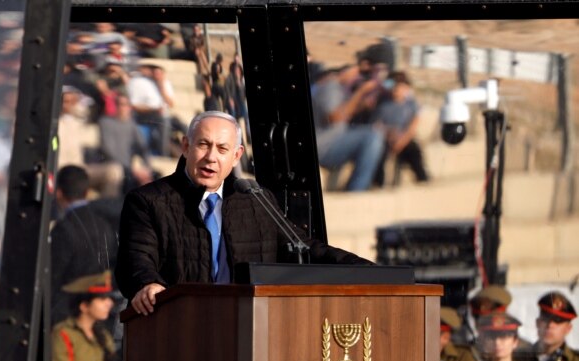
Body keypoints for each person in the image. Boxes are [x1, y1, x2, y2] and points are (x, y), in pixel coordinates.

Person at [115, 111, 374, 314]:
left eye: (222, 149)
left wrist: (366, 270)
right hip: (179, 329)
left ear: (237, 156)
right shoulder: (149, 200)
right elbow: (137, 260)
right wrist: (147, 284)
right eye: (203, 145)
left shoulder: (254, 200)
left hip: (246, 325)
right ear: (185, 146)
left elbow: (304, 247)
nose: (211, 157)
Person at [50, 165, 118, 324]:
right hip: (99, 312)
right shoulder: (104, 224)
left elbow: (53, 277)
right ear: (87, 192)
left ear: (59, 193)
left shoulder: (63, 229)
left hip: (68, 315)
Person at [310, 63, 384, 191]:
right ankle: (356, 190)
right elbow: (336, 118)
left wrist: (362, 105)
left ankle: (368, 184)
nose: (357, 77)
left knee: (375, 132)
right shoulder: (330, 87)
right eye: (355, 73)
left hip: (333, 141)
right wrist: (361, 92)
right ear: (344, 71)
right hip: (324, 146)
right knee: (372, 136)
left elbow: (344, 112)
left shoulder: (339, 89)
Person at [370, 71, 429, 186]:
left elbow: (413, 127)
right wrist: (387, 134)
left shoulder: (412, 104)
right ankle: (378, 184)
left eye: (401, 88)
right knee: (378, 154)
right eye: (395, 87)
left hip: (404, 138)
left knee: (414, 151)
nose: (397, 91)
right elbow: (375, 124)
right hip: (384, 138)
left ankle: (423, 179)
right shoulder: (382, 103)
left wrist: (401, 141)